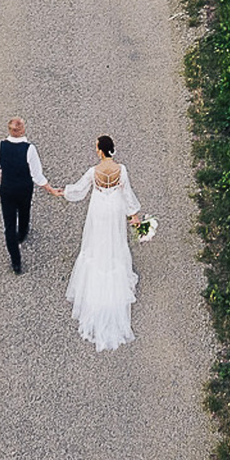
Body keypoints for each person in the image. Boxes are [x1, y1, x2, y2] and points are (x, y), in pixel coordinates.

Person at [59, 134, 142, 351]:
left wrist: (63, 191)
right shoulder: (121, 170)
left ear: (100, 150)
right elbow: (127, 193)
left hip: (98, 209)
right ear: (112, 149)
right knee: (115, 239)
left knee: (96, 240)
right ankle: (114, 270)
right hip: (114, 208)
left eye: (96, 147)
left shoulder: (93, 172)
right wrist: (134, 215)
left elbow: (79, 190)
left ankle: (97, 275)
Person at [0, 117, 56, 274]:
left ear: (9, 130)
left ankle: (16, 262)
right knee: (24, 209)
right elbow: (36, 174)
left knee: (9, 224)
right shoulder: (29, 149)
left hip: (7, 188)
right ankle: (23, 231)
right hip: (24, 187)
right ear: (22, 130)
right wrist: (50, 188)